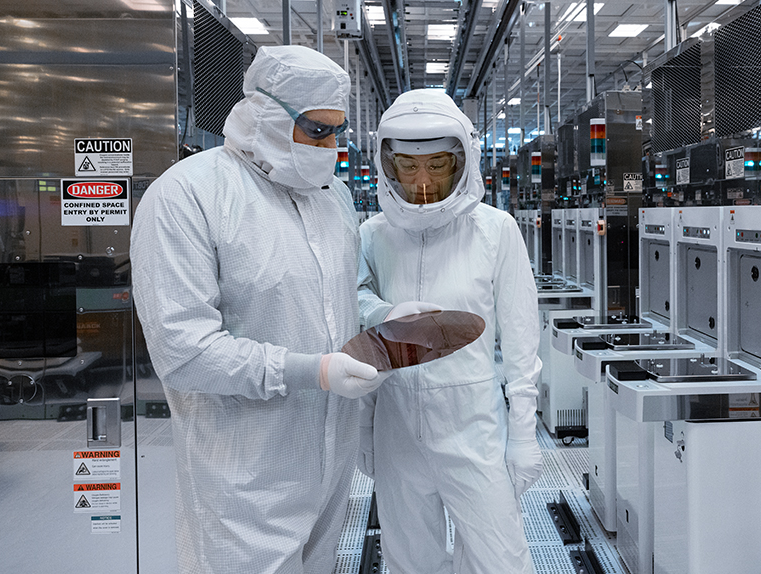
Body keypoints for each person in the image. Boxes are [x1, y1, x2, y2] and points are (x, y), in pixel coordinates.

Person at [131, 45, 388, 574]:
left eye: (338, 133)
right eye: (317, 131)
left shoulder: (333, 199)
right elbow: (185, 352)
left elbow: (336, 302)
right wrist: (312, 370)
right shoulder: (187, 196)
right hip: (242, 480)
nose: (331, 148)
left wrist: (383, 317)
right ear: (269, 114)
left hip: (329, 466)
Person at [357, 89, 543, 573]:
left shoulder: (496, 230)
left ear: (462, 162)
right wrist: (385, 315)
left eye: (437, 165)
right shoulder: (372, 235)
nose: (421, 181)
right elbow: (351, 309)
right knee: (409, 561)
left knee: (500, 561)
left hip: (472, 425)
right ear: (388, 165)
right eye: (408, 166)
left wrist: (524, 434)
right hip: (396, 424)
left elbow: (522, 342)